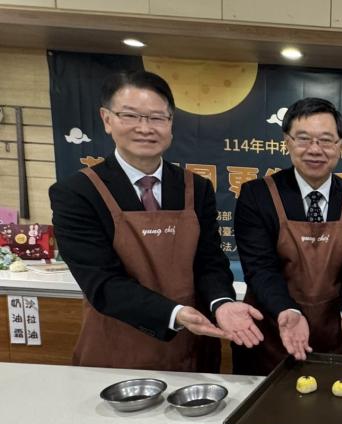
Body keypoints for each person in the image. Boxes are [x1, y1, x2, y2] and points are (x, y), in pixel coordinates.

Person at [49, 70, 263, 372]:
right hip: (117, 351)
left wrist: (222, 303)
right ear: (107, 119)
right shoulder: (77, 193)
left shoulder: (195, 188)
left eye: (157, 118)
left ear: (171, 124)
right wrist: (175, 313)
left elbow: (210, 262)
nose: (144, 128)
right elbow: (103, 284)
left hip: (194, 347)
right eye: (131, 116)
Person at [233, 98, 342, 374]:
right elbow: (260, 269)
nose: (314, 150)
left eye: (326, 140)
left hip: (335, 335)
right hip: (271, 333)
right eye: (303, 139)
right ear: (286, 142)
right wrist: (287, 310)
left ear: (340, 146)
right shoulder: (257, 195)